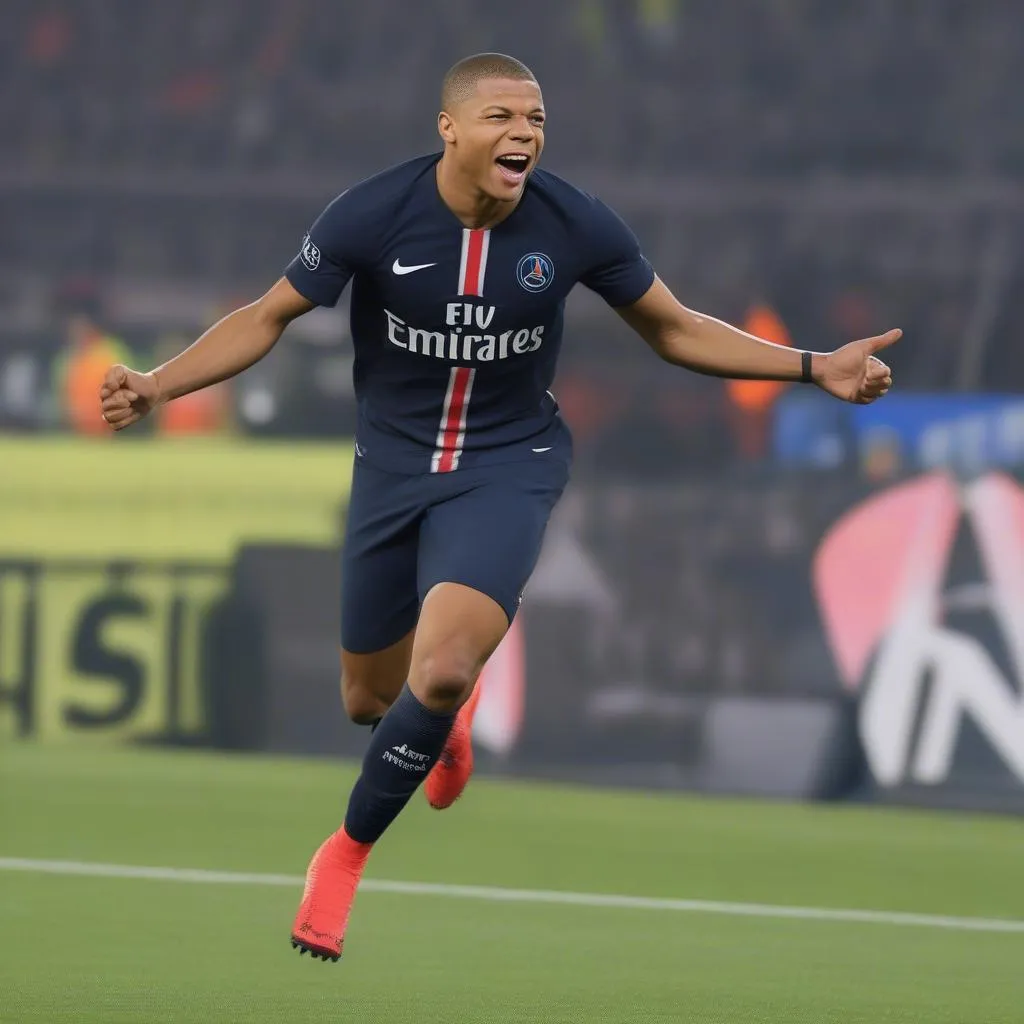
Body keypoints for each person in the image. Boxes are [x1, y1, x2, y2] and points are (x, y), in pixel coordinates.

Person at [98, 52, 897, 962]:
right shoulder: (373, 213)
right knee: (370, 698)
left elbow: (674, 328)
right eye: (503, 118)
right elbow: (268, 315)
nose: (525, 134)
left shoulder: (575, 222)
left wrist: (812, 366)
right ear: (450, 128)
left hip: (507, 464)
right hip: (391, 468)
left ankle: (345, 856)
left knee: (436, 673)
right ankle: (443, 721)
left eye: (538, 120)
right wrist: (159, 384)